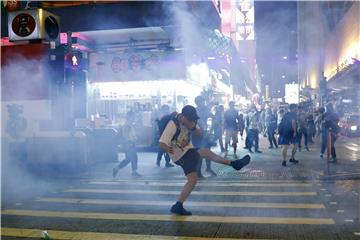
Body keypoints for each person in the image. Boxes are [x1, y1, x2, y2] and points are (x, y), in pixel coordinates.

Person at [159, 105, 251, 215]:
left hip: (187, 151)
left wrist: (192, 127)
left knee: (192, 180)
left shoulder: (189, 121)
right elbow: (161, 143)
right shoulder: (173, 125)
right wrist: (168, 149)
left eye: (193, 119)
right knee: (205, 153)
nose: (192, 121)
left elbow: (198, 133)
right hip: (181, 155)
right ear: (183, 116)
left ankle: (178, 205)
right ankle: (235, 164)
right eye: (190, 119)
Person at [113, 111, 142, 178]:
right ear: (130, 117)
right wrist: (131, 141)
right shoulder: (127, 126)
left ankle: (131, 171)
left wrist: (135, 137)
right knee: (131, 158)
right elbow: (125, 136)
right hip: (129, 144)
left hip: (130, 143)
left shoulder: (130, 125)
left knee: (131, 158)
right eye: (134, 117)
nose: (135, 118)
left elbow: (131, 135)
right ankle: (119, 168)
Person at [193, 96, 216, 178]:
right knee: (201, 152)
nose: (202, 103)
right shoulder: (195, 111)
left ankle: (208, 168)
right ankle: (198, 171)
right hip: (197, 133)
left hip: (205, 133)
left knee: (207, 151)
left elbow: (212, 118)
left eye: (203, 101)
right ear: (197, 102)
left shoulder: (206, 110)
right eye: (201, 102)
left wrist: (209, 129)